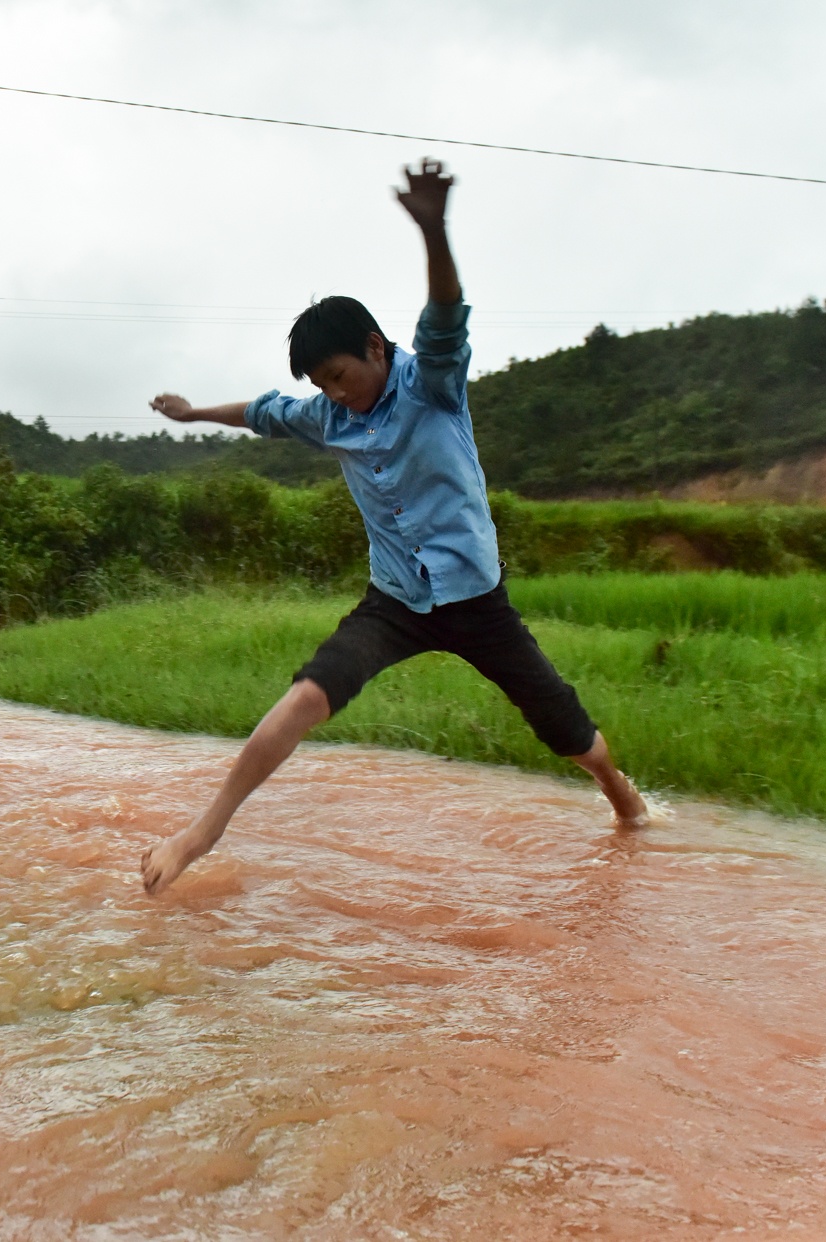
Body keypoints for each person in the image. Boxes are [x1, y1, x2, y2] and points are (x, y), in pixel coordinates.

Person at [141, 158, 648, 896]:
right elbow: (262, 413)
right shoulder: (327, 416)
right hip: (396, 603)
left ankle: (618, 792)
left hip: (475, 599)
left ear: (377, 348)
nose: (336, 397)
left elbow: (445, 318)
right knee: (309, 694)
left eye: (342, 376)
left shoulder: (431, 387)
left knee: (563, 727)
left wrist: (435, 230)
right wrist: (193, 415)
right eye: (323, 387)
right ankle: (201, 831)